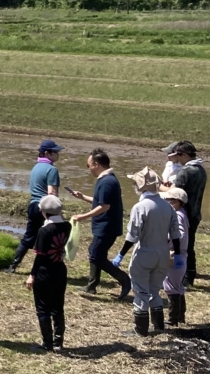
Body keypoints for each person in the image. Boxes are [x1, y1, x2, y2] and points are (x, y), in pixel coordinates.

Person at [115, 167, 180, 336]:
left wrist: (121, 254)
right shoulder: (168, 206)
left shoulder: (140, 207)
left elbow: (133, 236)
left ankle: (140, 329)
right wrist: (178, 254)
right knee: (155, 289)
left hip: (145, 252)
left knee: (141, 291)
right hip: (163, 253)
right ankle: (159, 326)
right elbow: (175, 233)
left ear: (141, 186)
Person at [68, 149, 131, 299]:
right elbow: (101, 202)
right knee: (95, 253)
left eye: (88, 165)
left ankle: (124, 279)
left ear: (96, 164)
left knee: (96, 255)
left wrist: (83, 216)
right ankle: (91, 286)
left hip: (107, 226)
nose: (88, 168)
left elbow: (104, 206)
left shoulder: (107, 182)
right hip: (105, 226)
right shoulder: (107, 179)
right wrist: (82, 197)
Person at [26, 195, 71, 352]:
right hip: (60, 269)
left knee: (43, 308)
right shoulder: (67, 226)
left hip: (45, 272)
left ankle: (47, 343)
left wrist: (32, 275)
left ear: (43, 211)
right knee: (58, 307)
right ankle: (59, 342)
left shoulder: (44, 231)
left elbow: (40, 256)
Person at [9, 139, 62, 272]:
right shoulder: (52, 170)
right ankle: (46, 266)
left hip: (33, 205)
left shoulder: (36, 167)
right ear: (47, 153)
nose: (58, 154)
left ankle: (13, 265)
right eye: (55, 152)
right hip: (46, 208)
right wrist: (58, 211)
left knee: (29, 236)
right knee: (51, 238)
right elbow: (51, 192)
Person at [163, 141, 206, 287]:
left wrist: (155, 184)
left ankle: (186, 277)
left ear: (186, 155)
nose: (178, 159)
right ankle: (190, 274)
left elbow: (172, 193)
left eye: (179, 155)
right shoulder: (201, 169)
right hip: (195, 213)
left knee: (182, 246)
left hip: (184, 213)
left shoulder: (185, 172)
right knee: (189, 244)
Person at [159, 187, 191, 326]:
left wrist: (166, 240)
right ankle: (180, 316)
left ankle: (173, 319)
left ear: (176, 202)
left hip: (174, 254)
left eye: (168, 199)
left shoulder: (177, 215)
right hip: (180, 254)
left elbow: (180, 234)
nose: (165, 201)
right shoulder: (182, 213)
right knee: (177, 286)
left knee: (171, 286)